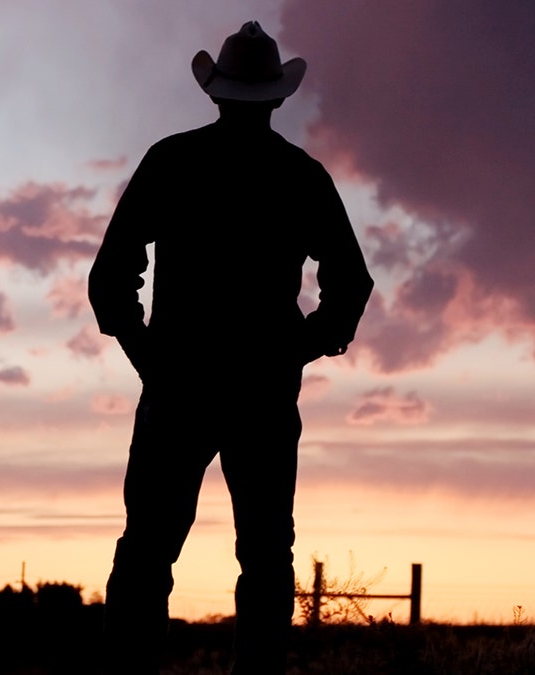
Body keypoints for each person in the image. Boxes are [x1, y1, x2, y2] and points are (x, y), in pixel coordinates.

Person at [89, 21, 374, 674]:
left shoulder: (172, 161)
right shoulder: (300, 176)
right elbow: (350, 286)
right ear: (276, 98)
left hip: (178, 389)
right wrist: (293, 350)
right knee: (266, 554)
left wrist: (149, 359)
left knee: (147, 553)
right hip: (261, 396)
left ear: (216, 94)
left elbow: (110, 280)